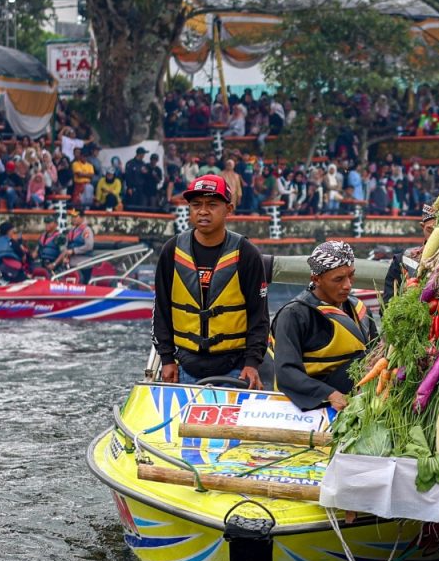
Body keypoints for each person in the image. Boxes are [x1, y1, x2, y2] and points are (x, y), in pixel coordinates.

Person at [152, 174, 269, 387]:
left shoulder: (246, 254)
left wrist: (252, 363)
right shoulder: (172, 251)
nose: (203, 211)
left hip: (234, 368)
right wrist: (167, 358)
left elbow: (258, 316)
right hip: (184, 366)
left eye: (212, 205)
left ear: (228, 209)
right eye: (196, 205)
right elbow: (161, 309)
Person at [263, 241, 378, 411]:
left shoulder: (359, 308)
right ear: (316, 279)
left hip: (357, 394)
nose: (348, 285)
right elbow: (286, 371)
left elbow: (376, 353)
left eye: (351, 276)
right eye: (338, 279)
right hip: (315, 400)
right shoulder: (293, 315)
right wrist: (329, 394)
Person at [383, 205, 436, 302]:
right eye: (430, 230)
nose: (433, 237)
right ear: (422, 227)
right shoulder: (403, 260)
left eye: (438, 232)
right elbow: (387, 304)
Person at [57, 209, 96, 282]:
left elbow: (89, 246)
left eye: (76, 217)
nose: (73, 219)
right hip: (72, 263)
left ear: (82, 218)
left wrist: (74, 251)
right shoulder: (71, 231)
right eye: (72, 217)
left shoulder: (86, 230)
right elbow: (67, 245)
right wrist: (66, 256)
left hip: (83, 263)